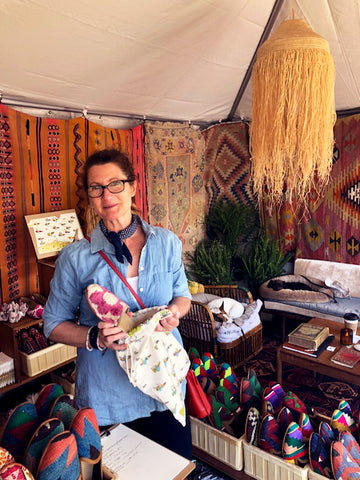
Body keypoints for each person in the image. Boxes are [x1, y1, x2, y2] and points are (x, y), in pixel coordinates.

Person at [42, 149, 192, 459]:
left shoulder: (166, 243)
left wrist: (174, 313)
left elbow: (182, 296)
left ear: (133, 187)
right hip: (108, 396)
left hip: (163, 386)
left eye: (115, 184)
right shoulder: (76, 258)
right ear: (90, 197)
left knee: (174, 468)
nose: (106, 195)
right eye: (96, 188)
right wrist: (94, 338)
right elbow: (53, 324)